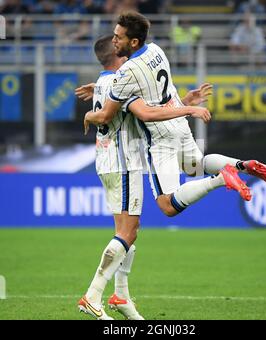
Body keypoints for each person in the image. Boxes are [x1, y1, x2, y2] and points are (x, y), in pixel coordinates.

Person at [85, 11, 266, 218]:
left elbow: (118, 115)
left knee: (167, 205)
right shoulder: (156, 51)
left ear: (133, 41)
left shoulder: (126, 73)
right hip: (179, 124)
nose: (114, 40)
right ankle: (243, 165)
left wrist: (88, 115)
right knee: (197, 166)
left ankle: (222, 179)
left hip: (161, 136)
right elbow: (153, 92)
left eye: (118, 37)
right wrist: (185, 104)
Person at [76, 36, 214, 320]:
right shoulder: (123, 83)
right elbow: (148, 114)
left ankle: (121, 297)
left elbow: (108, 113)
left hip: (107, 162)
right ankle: (92, 295)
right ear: (117, 56)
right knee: (128, 232)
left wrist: (91, 114)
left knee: (128, 231)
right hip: (124, 162)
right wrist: (189, 109)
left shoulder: (104, 82)